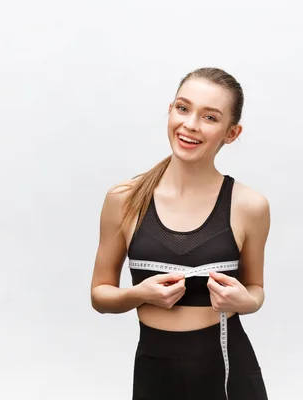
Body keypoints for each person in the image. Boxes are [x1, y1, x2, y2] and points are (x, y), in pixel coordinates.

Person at [90, 67, 271, 400]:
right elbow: (100, 295)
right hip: (154, 372)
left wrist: (246, 301)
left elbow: (255, 288)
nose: (190, 124)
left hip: (227, 372)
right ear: (170, 110)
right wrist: (139, 294)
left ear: (231, 133)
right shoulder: (125, 200)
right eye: (183, 108)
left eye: (210, 117)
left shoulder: (249, 206)